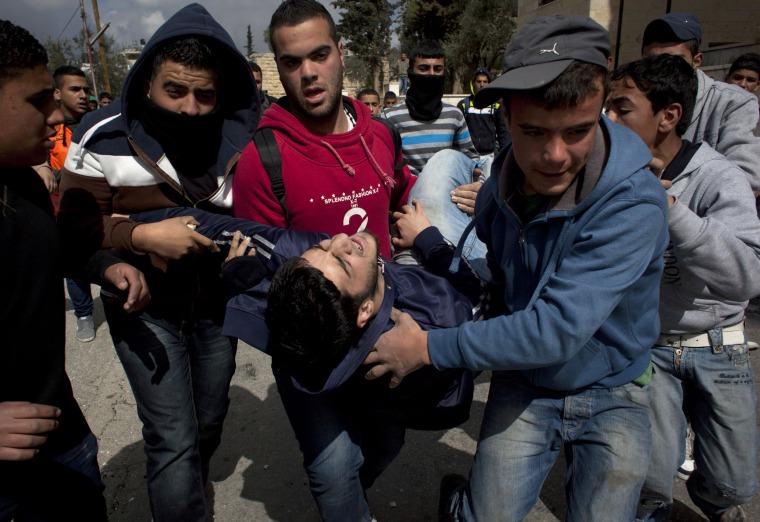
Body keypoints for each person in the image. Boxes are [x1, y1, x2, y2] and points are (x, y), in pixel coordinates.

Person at [364, 16, 670, 521]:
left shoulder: (633, 204)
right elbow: (490, 284)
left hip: (612, 387)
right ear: (505, 115)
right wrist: (430, 247)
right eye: (533, 131)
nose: (554, 156)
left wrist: (428, 348)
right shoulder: (498, 188)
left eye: (578, 131)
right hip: (525, 379)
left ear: (601, 110)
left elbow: (555, 330)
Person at [127, 201, 482, 522]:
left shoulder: (305, 272)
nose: (340, 237)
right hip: (399, 398)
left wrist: (249, 287)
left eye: (324, 246)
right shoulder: (435, 318)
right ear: (365, 312)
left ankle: (352, 495)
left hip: (382, 400)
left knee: (382, 446)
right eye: (339, 257)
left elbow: (213, 228)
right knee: (340, 465)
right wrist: (429, 241)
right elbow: (484, 302)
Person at [57, 4, 260, 521]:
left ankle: (191, 485)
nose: (190, 108)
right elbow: (75, 229)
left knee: (208, 423)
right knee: (172, 439)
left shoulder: (244, 136)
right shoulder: (100, 134)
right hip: (144, 311)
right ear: (148, 81)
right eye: (176, 90)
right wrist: (142, 236)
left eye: (204, 94)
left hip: (218, 310)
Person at [0, 19, 147, 521]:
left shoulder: (23, 185)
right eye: (39, 99)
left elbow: (55, 251)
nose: (57, 112)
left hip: (61, 437)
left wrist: (105, 265)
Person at [605, 53, 760, 522]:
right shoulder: (608, 173)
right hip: (649, 348)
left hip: (719, 345)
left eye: (622, 108)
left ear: (668, 116)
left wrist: (670, 209)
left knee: (735, 482)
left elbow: (747, 274)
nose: (608, 120)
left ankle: (714, 500)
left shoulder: (718, 177)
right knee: (652, 472)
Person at [233, 0, 415, 260]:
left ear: (340, 53)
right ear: (279, 67)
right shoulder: (261, 161)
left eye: (320, 56)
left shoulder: (382, 135)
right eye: (292, 63)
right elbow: (267, 275)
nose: (308, 72)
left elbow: (406, 200)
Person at [382, 39, 486, 276]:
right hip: (409, 207)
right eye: (424, 69)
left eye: (437, 70)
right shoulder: (390, 117)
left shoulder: (454, 115)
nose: (431, 75)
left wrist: (477, 189)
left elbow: (471, 162)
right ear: (411, 74)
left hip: (448, 203)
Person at [642, 12, 760, 191]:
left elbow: (744, 177)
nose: (661, 70)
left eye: (674, 61)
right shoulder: (634, 100)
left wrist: (668, 196)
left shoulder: (732, 102)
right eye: (652, 61)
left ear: (696, 61)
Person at [38, 65, 97, 343]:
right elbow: (39, 162)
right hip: (67, 212)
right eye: (75, 89)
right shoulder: (48, 128)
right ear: (58, 93)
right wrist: (43, 167)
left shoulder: (100, 123)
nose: (83, 95)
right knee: (74, 266)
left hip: (103, 208)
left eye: (86, 89)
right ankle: (84, 313)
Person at [457, 67, 510, 176]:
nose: (482, 84)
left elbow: (503, 132)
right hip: (469, 156)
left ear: (489, 83)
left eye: (485, 82)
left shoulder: (495, 106)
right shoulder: (463, 105)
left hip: (488, 157)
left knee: (488, 190)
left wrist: (505, 155)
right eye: (479, 81)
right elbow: (457, 133)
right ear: (473, 84)